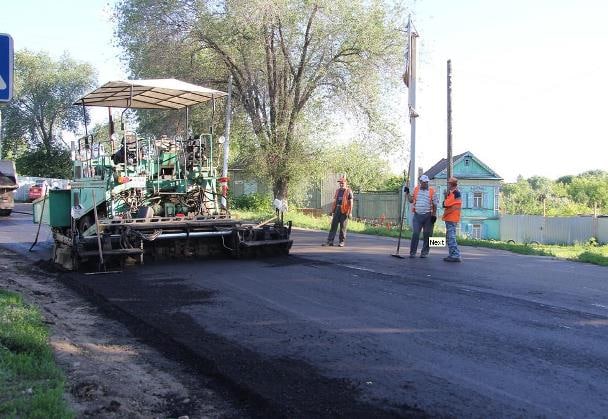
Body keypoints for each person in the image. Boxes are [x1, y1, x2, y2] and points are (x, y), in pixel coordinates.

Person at [404, 174, 438, 258]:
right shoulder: (416, 190)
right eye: (424, 182)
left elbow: (435, 204)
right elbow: (411, 200)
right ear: (420, 182)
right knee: (415, 233)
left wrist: (434, 215)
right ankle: (412, 252)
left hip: (428, 216)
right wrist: (407, 193)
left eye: (426, 182)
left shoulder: (432, 191)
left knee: (428, 234)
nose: (425, 184)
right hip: (417, 215)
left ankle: (425, 252)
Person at [323, 176, 353, 247]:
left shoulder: (349, 191)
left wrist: (350, 212)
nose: (341, 184)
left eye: (342, 183)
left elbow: (351, 202)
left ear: (346, 183)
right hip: (337, 210)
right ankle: (330, 241)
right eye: (340, 183)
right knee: (333, 226)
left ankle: (341, 242)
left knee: (343, 227)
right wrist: (332, 211)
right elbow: (335, 201)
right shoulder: (337, 191)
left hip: (344, 211)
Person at [442, 176, 463, 262]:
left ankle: (455, 255)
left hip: (451, 218)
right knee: (450, 237)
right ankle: (452, 254)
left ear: (451, 184)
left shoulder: (455, 193)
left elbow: (445, 204)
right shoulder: (454, 193)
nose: (448, 185)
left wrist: (445, 196)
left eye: (449, 184)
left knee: (451, 237)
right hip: (451, 217)